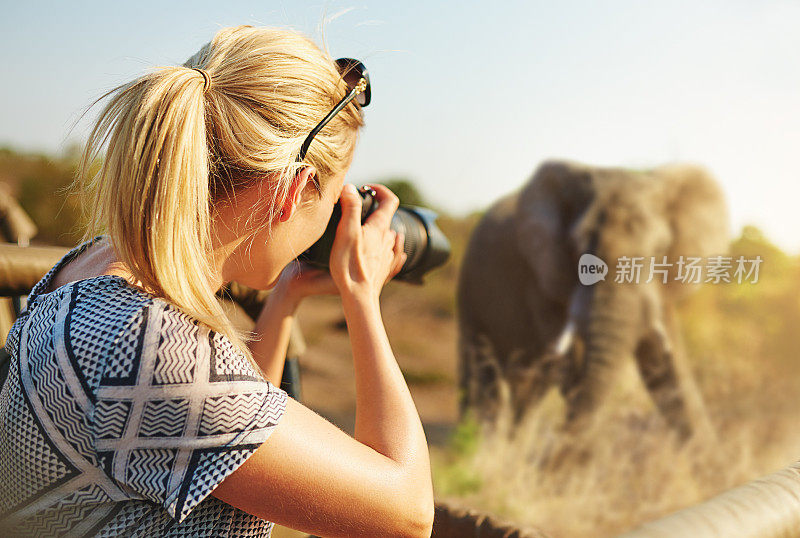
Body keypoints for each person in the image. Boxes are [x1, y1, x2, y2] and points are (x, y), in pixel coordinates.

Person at [0, 25, 434, 537]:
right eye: (336, 196)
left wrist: (286, 295)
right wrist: (362, 295)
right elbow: (405, 513)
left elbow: (233, 429)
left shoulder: (93, 264)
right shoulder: (150, 347)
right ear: (293, 191)